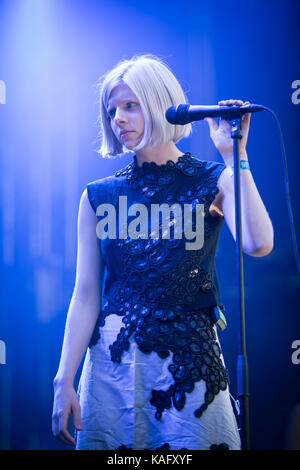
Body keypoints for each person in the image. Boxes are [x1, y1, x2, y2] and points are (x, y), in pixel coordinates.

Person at [51, 54, 274, 450]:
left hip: (190, 361)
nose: (118, 118)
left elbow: (259, 244)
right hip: (113, 367)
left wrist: (232, 154)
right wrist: (63, 379)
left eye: (130, 105)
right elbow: (86, 293)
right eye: (112, 109)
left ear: (160, 103)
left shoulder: (213, 179)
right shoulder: (97, 196)